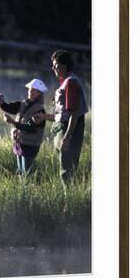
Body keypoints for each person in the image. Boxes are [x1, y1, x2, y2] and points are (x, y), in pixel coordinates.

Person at [33, 49, 88, 183]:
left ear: (65, 65)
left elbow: (74, 114)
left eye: (56, 65)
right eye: (53, 65)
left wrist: (67, 137)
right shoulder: (65, 83)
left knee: (67, 173)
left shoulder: (71, 83)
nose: (53, 68)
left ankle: (70, 202)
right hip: (63, 132)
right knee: (65, 171)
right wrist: (44, 117)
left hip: (68, 133)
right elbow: (63, 115)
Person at [0, 79, 47, 175]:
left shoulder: (40, 111)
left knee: (26, 173)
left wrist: (12, 122)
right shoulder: (23, 104)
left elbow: (29, 128)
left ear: (39, 93)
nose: (30, 92)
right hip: (20, 144)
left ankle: (27, 189)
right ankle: (23, 189)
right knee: (20, 171)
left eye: (34, 90)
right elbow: (6, 107)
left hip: (30, 146)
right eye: (30, 89)